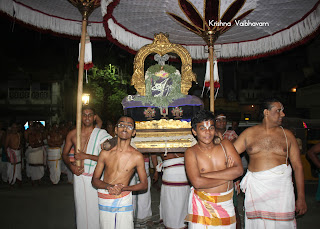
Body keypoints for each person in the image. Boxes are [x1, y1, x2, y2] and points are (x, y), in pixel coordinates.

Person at [234, 98, 307, 228]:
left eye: (282, 111)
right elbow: (230, 155)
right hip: (257, 190)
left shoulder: (288, 135)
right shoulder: (248, 134)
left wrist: (301, 197)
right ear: (266, 112)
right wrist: (235, 177)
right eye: (278, 111)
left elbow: (298, 167)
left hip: (282, 192)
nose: (283, 114)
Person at [184, 110, 243, 228]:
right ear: (194, 131)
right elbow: (197, 182)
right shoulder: (191, 152)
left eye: (211, 128)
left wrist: (205, 175)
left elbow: (239, 170)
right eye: (202, 129)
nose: (208, 132)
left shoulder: (225, 145)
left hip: (226, 205)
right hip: (203, 206)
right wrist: (227, 177)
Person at [92, 115, 148, 229]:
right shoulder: (105, 153)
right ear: (116, 130)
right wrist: (109, 186)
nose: (124, 128)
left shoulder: (137, 156)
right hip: (106, 196)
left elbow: (144, 184)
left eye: (129, 126)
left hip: (124, 197)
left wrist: (123, 188)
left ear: (133, 133)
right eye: (121, 125)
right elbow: (94, 180)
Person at [62, 106, 112, 229]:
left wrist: (86, 156)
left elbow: (109, 157)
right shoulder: (73, 134)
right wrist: (71, 166)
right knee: (81, 207)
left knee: (95, 207)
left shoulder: (101, 134)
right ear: (80, 117)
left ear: (95, 117)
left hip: (96, 176)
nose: (87, 117)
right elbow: (64, 154)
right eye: (84, 114)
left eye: (90, 115)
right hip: (79, 176)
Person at [215, 112, 243, 229]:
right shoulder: (210, 135)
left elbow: (233, 149)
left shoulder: (231, 134)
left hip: (230, 176)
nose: (222, 122)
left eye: (224, 119)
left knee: (233, 208)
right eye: (219, 120)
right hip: (216, 177)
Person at [155, 149, 190, 229]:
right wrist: (156, 171)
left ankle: (181, 225)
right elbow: (153, 154)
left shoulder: (187, 140)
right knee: (170, 205)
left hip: (182, 177)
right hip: (171, 178)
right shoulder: (161, 142)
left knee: (181, 205)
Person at [5, 122, 23, 187]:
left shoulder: (19, 134)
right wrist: (7, 156)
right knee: (11, 168)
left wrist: (20, 152)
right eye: (13, 127)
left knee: (18, 167)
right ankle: (11, 181)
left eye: (16, 127)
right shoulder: (9, 135)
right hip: (11, 153)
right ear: (11, 128)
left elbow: (20, 144)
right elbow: (6, 146)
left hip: (18, 153)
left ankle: (18, 180)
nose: (14, 129)